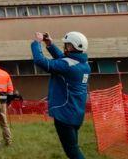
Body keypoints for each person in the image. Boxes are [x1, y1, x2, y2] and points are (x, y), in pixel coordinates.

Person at [32, 31, 91, 159]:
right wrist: (50, 45)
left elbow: (41, 61)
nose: (65, 47)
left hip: (65, 115)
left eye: (66, 45)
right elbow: (64, 60)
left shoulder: (67, 66)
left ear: (71, 47)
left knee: (72, 151)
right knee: (73, 147)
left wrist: (37, 42)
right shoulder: (84, 65)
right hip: (76, 114)